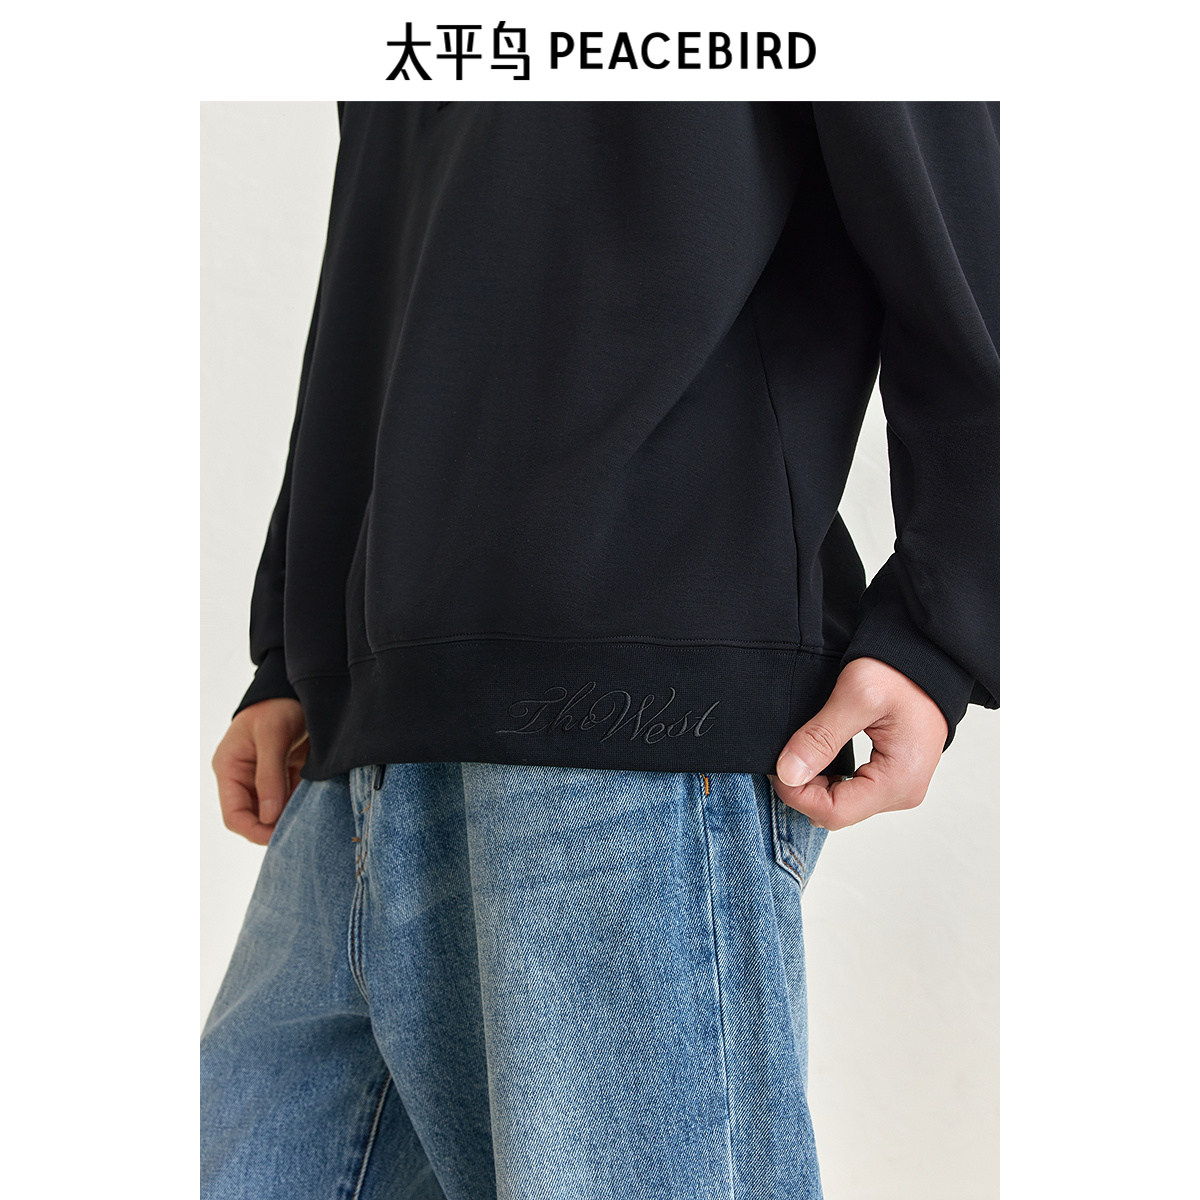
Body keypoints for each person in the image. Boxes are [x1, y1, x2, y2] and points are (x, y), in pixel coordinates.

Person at [201, 100, 999, 1200]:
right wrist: (296, 646)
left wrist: (947, 616)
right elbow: (388, 249)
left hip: (628, 717)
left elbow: (965, 185)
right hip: (362, 727)